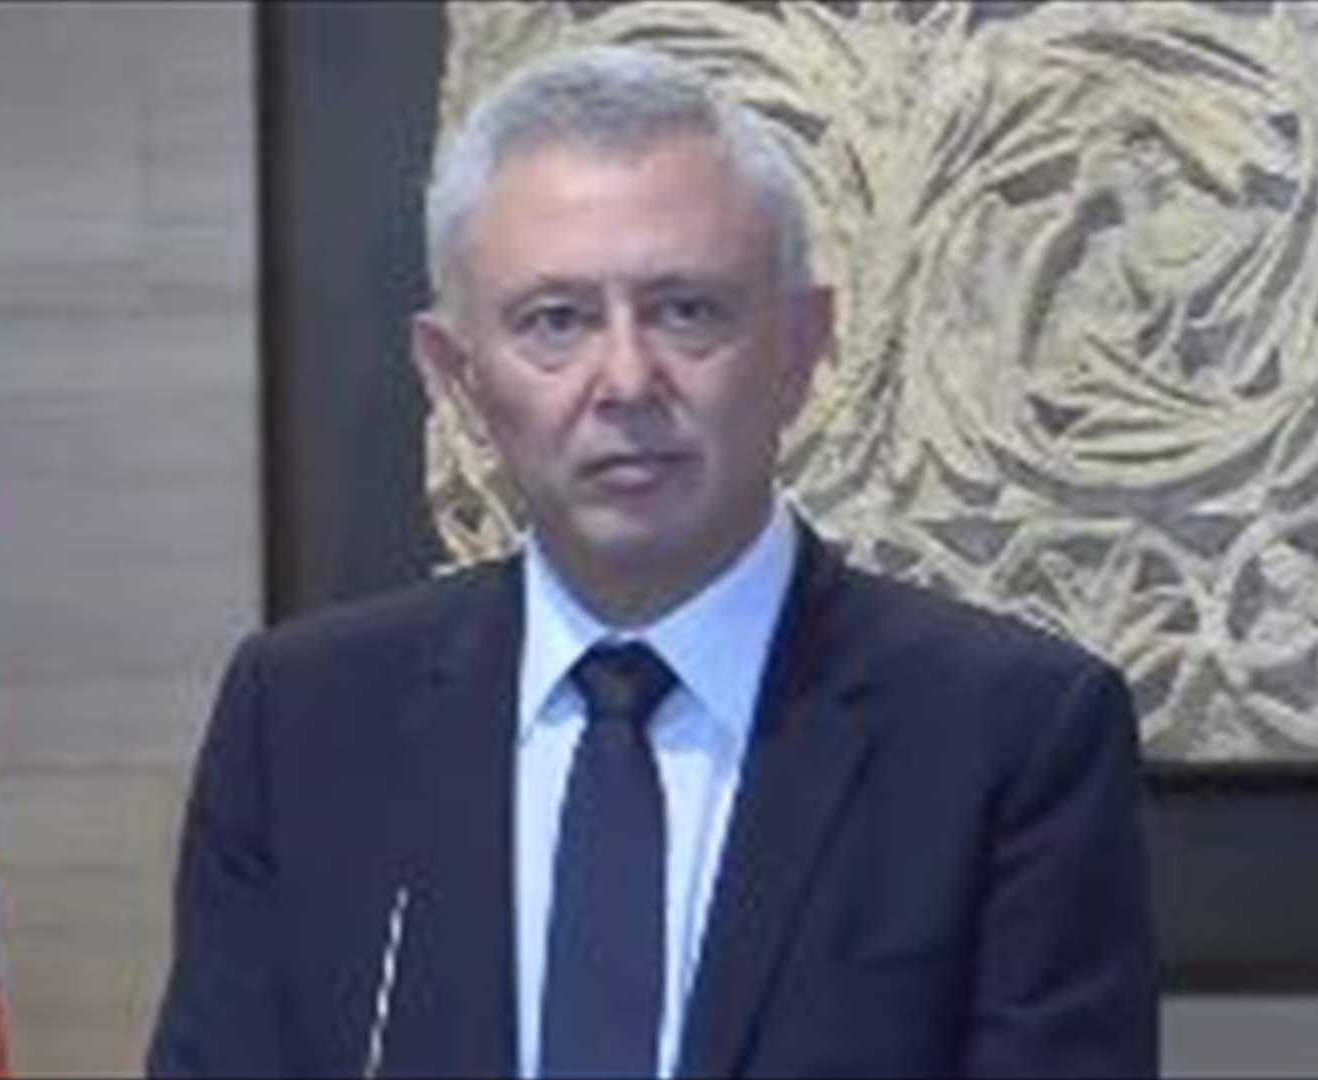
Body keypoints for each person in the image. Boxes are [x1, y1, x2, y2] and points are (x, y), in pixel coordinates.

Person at [148, 44, 1156, 1079]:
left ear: (802, 346)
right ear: (456, 374)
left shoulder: (1010, 733)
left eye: (687, 311)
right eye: (556, 321)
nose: (627, 380)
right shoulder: (305, 722)